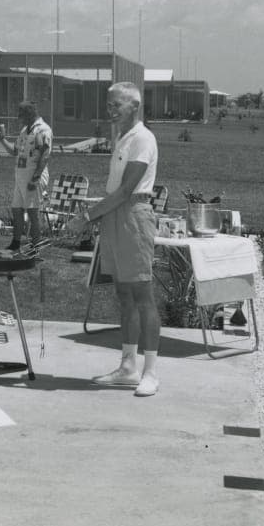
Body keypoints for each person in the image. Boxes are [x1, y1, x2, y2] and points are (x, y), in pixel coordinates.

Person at [78, 82, 162, 397]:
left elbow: (127, 191)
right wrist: (98, 214)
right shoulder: (123, 138)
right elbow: (116, 192)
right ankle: (128, 367)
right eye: (109, 105)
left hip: (133, 215)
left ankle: (151, 372)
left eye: (116, 105)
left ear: (134, 106)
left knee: (143, 295)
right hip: (115, 216)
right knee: (124, 295)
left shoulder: (143, 138)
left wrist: (87, 216)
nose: (110, 110)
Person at [0, 100, 52, 250]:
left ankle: (36, 244)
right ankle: (16, 243)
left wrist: (35, 178)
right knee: (17, 209)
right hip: (20, 177)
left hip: (33, 176)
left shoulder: (42, 130)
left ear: (30, 114)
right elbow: (14, 151)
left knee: (33, 211)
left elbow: (45, 155)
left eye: (21, 115)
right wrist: (2, 139)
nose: (19, 118)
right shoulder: (24, 130)